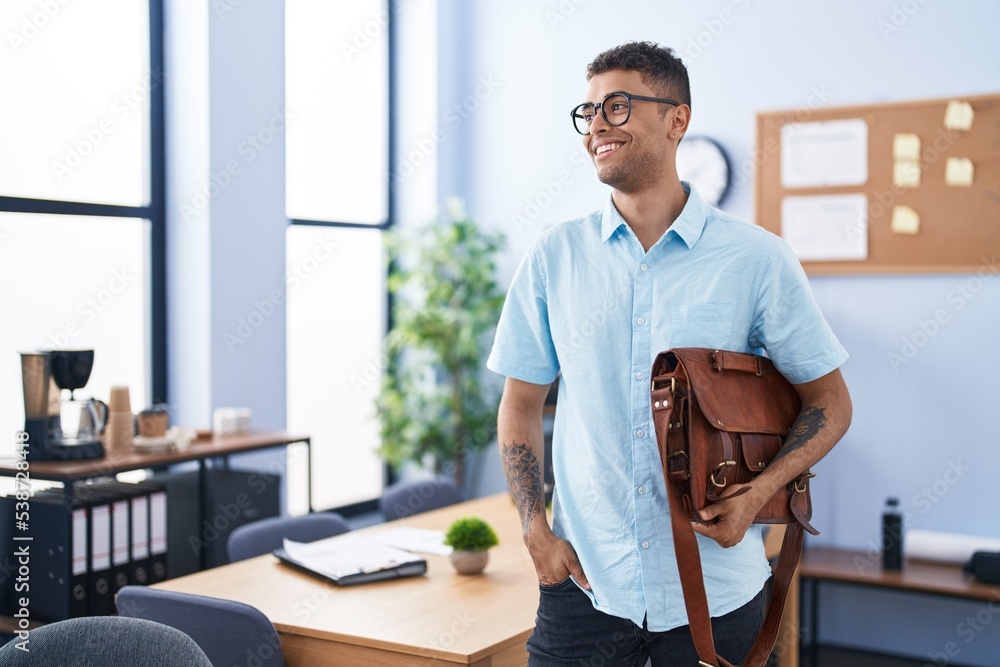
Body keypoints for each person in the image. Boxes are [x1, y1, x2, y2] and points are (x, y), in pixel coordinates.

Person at [487, 41, 852, 666]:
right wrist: (533, 528)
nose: (597, 124)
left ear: (677, 119)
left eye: (619, 106)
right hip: (584, 587)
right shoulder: (555, 256)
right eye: (589, 111)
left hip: (718, 591)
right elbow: (520, 406)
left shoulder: (756, 259)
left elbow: (830, 403)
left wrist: (756, 495)